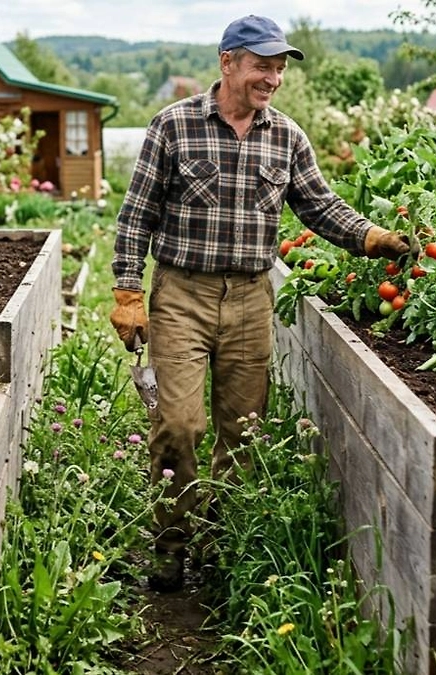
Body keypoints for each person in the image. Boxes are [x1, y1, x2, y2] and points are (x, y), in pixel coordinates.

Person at [109, 14, 411, 592]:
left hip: (251, 299)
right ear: (228, 63)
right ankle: (171, 545)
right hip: (182, 295)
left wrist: (372, 237)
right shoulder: (172, 127)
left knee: (242, 432)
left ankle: (220, 549)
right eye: (261, 66)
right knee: (178, 424)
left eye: (278, 68)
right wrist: (128, 291)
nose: (271, 78)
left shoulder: (287, 137)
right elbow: (136, 217)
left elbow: (321, 207)